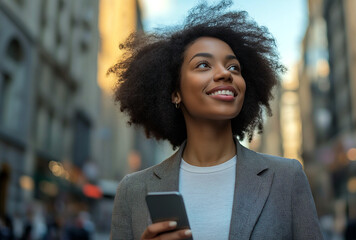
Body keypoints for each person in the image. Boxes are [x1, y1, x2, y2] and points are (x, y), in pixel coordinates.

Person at [109, 1, 322, 239]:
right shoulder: (132, 190)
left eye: (234, 67)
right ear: (175, 93)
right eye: (203, 64)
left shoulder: (287, 177)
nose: (225, 73)